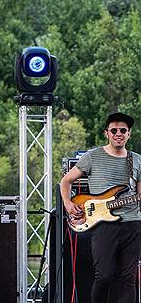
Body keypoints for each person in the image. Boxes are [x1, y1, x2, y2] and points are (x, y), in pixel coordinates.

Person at [60, 112, 140, 303]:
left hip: (133, 224)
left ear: (129, 134)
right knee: (103, 275)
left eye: (123, 130)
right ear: (107, 133)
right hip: (103, 224)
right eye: (114, 130)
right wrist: (68, 203)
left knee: (128, 278)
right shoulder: (92, 156)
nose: (118, 133)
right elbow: (66, 181)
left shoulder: (136, 160)